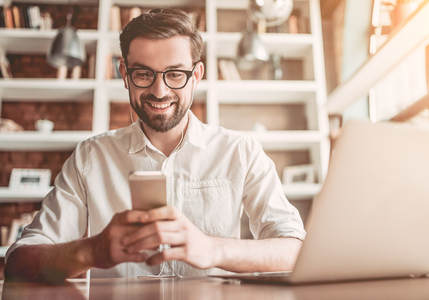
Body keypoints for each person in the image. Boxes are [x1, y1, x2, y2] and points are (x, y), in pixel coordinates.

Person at [5, 8, 305, 282]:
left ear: (196, 76)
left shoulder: (241, 152)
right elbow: (18, 262)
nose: (159, 91)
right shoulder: (90, 157)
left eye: (175, 74)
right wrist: (92, 251)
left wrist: (214, 250)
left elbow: (295, 250)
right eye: (143, 74)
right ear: (125, 75)